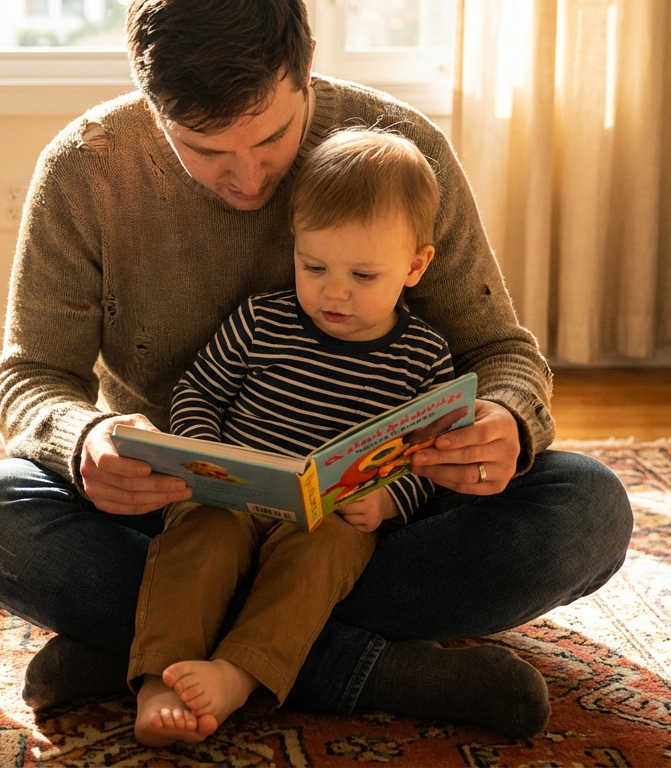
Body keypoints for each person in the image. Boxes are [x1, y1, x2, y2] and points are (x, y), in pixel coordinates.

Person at [0, 0, 633, 740]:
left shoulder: (396, 152)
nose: (246, 178)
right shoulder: (86, 170)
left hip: (366, 518)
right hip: (178, 510)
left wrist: (507, 422)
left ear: (305, 71)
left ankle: (147, 650)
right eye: (204, 149)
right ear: (152, 103)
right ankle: (366, 669)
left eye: (272, 138)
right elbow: (30, 376)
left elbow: (502, 353)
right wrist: (84, 440)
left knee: (587, 509)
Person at [130, 128, 455, 747]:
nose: (334, 291)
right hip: (229, 499)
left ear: (415, 266)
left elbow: (427, 455)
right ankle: (157, 680)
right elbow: (198, 392)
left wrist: (388, 501)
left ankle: (236, 673)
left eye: (363, 274)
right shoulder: (262, 320)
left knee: (324, 550)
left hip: (328, 520)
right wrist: (204, 458)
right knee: (196, 537)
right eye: (314, 266)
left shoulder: (423, 358)